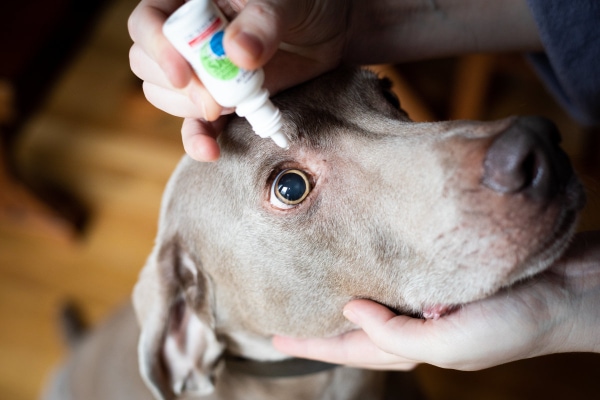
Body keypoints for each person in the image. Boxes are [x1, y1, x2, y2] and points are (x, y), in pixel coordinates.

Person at [128, 0, 600, 371]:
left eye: (385, 98)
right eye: (291, 187)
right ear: (184, 333)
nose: (510, 144)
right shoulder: (183, 315)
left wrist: (354, 13)